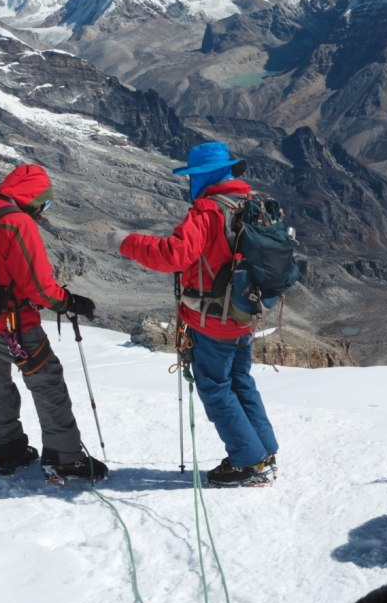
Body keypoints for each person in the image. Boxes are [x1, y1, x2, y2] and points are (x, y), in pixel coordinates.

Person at [109, 141, 279, 488]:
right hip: (243, 317)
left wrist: (125, 242)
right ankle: (264, 451)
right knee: (240, 382)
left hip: (213, 321)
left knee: (216, 388)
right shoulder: (251, 205)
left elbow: (173, 255)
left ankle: (248, 461)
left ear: (202, 177)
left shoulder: (206, 212)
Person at [0, 163, 106, 480]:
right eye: (46, 203)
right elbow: (39, 287)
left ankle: (8, 451)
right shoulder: (16, 223)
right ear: (35, 197)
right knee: (47, 381)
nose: (45, 211)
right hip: (14, 323)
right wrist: (69, 302)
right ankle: (64, 458)